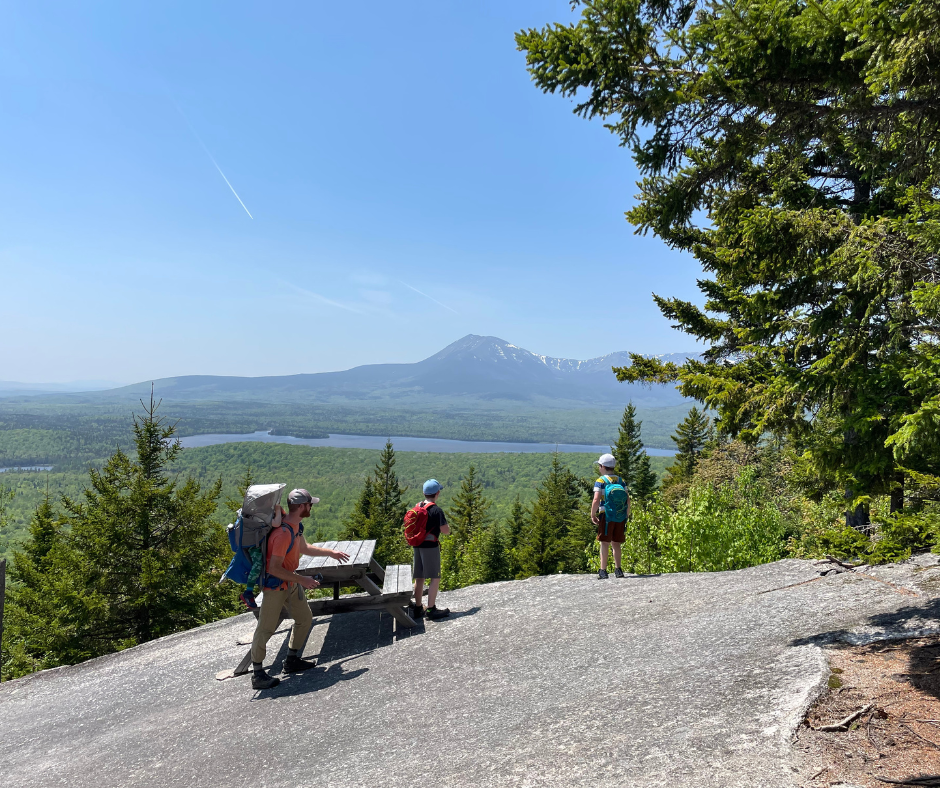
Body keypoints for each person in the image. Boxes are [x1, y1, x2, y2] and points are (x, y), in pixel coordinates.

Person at [250, 488, 351, 690]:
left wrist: (330, 553)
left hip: (290, 583)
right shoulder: (282, 534)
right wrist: (302, 579)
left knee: (304, 618)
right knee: (266, 628)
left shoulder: (296, 527)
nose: (311, 507)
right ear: (301, 506)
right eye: (309, 504)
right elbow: (274, 568)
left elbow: (304, 548)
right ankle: (258, 674)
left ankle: (292, 660)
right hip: (275, 586)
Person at [412, 479, 451, 620]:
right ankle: (431, 609)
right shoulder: (436, 510)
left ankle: (417, 608)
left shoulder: (417, 506)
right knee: (435, 577)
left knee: (419, 577)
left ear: (424, 493)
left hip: (417, 545)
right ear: (437, 493)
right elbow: (445, 531)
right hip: (430, 546)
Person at [590, 453, 631, 580]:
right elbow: (628, 500)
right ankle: (618, 570)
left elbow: (596, 499)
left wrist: (592, 514)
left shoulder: (600, 481)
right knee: (616, 543)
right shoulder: (620, 481)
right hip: (620, 515)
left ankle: (603, 570)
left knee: (604, 543)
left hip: (605, 515)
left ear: (602, 466)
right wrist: (626, 514)